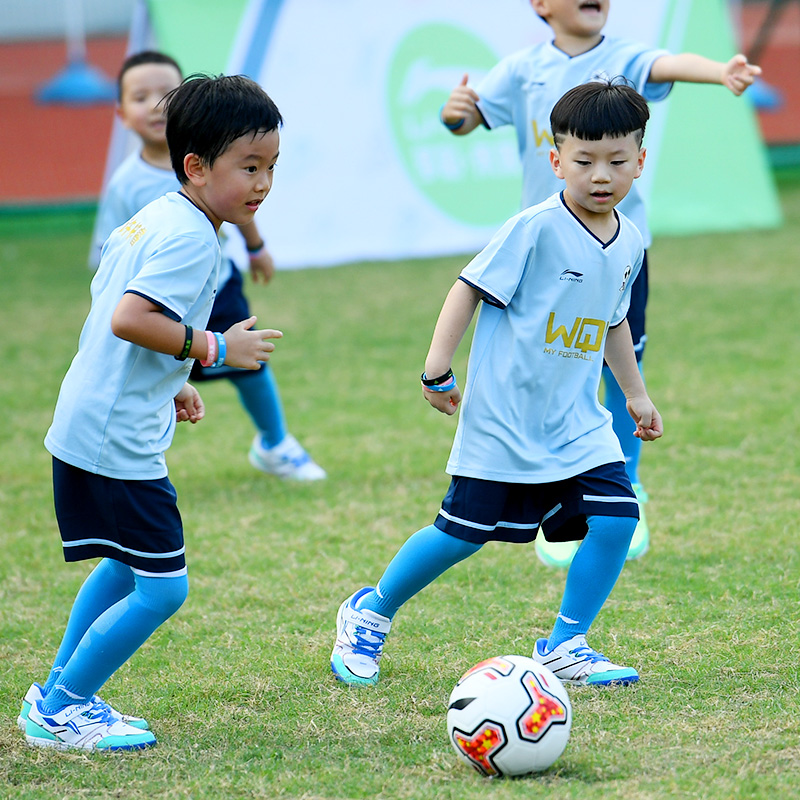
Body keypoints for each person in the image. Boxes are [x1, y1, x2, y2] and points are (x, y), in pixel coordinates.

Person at [331, 80, 662, 690]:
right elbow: (467, 289)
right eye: (584, 161)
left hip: (577, 423)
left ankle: (568, 642)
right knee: (459, 536)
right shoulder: (533, 228)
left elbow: (613, 320)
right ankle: (370, 611)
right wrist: (436, 367)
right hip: (503, 419)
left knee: (617, 518)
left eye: (617, 161)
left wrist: (635, 395)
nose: (600, 175)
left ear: (640, 161)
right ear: (555, 159)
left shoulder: (631, 241)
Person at [439, 0, 760, 567]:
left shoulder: (623, 59)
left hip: (614, 255)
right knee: (547, 361)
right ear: (541, 5)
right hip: (543, 256)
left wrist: (720, 72)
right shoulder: (520, 70)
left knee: (618, 359)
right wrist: (456, 113)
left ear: (636, 158)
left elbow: (669, 63)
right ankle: (547, 483)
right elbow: (470, 118)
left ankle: (621, 488)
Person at [21, 74, 283, 752]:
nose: (262, 183)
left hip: (95, 419)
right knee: (163, 588)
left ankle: (58, 689)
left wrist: (172, 379)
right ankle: (63, 707)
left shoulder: (161, 217)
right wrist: (216, 346)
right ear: (196, 166)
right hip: (115, 440)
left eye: (271, 167)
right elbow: (132, 316)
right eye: (248, 167)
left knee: (123, 565)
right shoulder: (193, 238)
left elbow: (119, 313)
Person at [91, 51, 325, 482]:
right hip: (155, 298)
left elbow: (244, 209)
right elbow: (116, 264)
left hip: (213, 284)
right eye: (142, 96)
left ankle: (276, 441)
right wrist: (215, 347)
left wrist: (256, 247)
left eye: (166, 93)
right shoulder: (132, 187)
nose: (157, 105)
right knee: (183, 359)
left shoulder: (221, 173)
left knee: (249, 359)